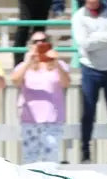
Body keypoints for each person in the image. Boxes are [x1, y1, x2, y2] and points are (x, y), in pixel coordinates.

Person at [71, 0, 107, 163]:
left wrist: (94, 38)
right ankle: (85, 151)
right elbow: (83, 43)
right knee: (88, 112)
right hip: (90, 69)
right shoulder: (79, 16)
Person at [11, 31, 70, 164]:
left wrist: (56, 62)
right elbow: (15, 81)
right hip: (29, 119)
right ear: (30, 45)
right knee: (30, 159)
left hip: (52, 119)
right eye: (35, 42)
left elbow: (66, 83)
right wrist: (28, 61)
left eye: (43, 40)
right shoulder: (24, 66)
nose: (40, 44)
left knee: (51, 160)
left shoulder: (58, 64)